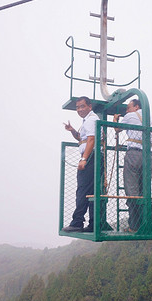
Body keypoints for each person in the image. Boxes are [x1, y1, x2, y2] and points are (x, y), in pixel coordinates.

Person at [113, 99, 152, 232]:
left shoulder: (130, 116)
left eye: (128, 107)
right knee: (145, 191)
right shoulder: (151, 118)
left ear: (137, 106)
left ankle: (134, 225)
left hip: (134, 154)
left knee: (132, 191)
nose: (126, 110)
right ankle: (148, 223)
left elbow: (117, 129)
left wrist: (115, 119)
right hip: (148, 155)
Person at [62, 96, 99, 232]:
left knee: (83, 190)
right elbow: (81, 138)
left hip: (90, 157)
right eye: (77, 107)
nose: (80, 109)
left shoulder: (91, 120)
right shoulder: (88, 121)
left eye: (82, 106)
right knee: (91, 191)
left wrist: (84, 159)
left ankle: (77, 222)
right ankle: (94, 224)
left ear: (89, 106)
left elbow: (91, 140)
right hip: (92, 156)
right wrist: (72, 130)